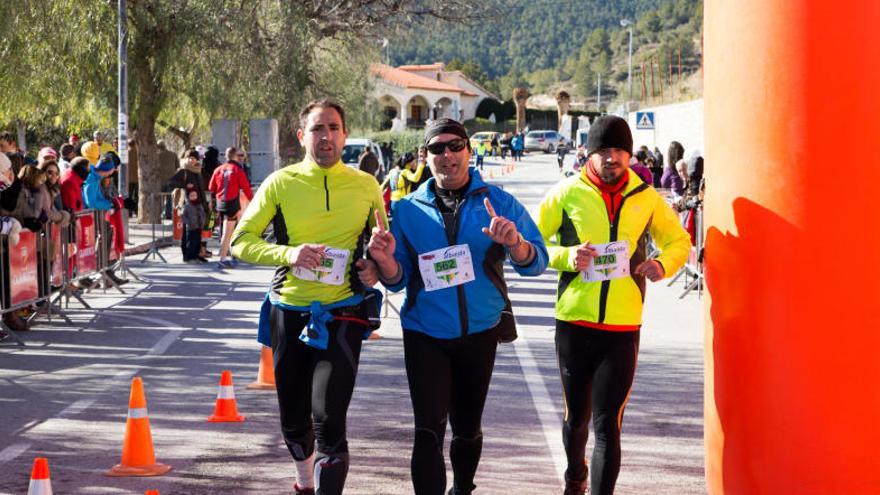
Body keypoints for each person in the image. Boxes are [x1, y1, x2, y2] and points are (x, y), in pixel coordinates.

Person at [369, 118, 549, 495]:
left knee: (467, 428)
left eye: (455, 146)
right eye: (437, 148)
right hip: (425, 333)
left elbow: (536, 263)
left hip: (480, 332)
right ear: (425, 155)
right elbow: (398, 279)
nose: (447, 155)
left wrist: (515, 243)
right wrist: (386, 260)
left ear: (469, 150)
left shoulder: (498, 203)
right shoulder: (407, 209)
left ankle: (463, 489)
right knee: (428, 429)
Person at [230, 99, 386, 495]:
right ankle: (303, 480)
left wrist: (375, 267)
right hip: (290, 311)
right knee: (295, 423)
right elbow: (240, 243)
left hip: (344, 311)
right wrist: (289, 253)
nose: (327, 136)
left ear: (345, 134)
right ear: (302, 137)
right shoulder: (281, 183)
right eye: (318, 129)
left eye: (334, 128)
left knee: (329, 419)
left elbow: (382, 248)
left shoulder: (367, 186)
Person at [536, 116, 691, 495]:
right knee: (577, 420)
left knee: (608, 425)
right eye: (604, 151)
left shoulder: (646, 197)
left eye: (620, 151)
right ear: (591, 154)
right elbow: (532, 247)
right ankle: (575, 476)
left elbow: (680, 242)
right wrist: (568, 256)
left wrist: (661, 264)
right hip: (574, 321)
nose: (612, 158)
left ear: (629, 153)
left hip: (622, 327)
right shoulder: (566, 192)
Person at [208, 147, 254, 268]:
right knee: (228, 232)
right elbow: (246, 188)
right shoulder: (237, 169)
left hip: (221, 203)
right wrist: (253, 201)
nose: (241, 157)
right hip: (232, 203)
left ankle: (232, 254)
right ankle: (223, 259)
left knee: (231, 229)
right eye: (239, 155)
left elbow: (211, 187)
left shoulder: (218, 169)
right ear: (234, 156)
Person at [167, 149, 210, 261]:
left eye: (194, 158)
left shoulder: (198, 171)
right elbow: (171, 182)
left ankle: (195, 254)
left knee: (198, 231)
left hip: (199, 205)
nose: (191, 160)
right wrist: (186, 185)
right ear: (186, 158)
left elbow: (201, 189)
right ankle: (189, 255)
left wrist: (205, 206)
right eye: (189, 158)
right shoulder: (183, 171)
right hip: (188, 205)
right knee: (190, 231)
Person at [181, 185, 207, 264]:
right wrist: (188, 223)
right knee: (191, 243)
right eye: (191, 195)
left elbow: (203, 215)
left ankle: (195, 256)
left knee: (197, 243)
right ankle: (189, 258)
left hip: (198, 227)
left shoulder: (199, 205)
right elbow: (183, 216)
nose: (194, 197)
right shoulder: (187, 206)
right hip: (191, 228)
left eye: (195, 195)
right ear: (188, 197)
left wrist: (202, 223)